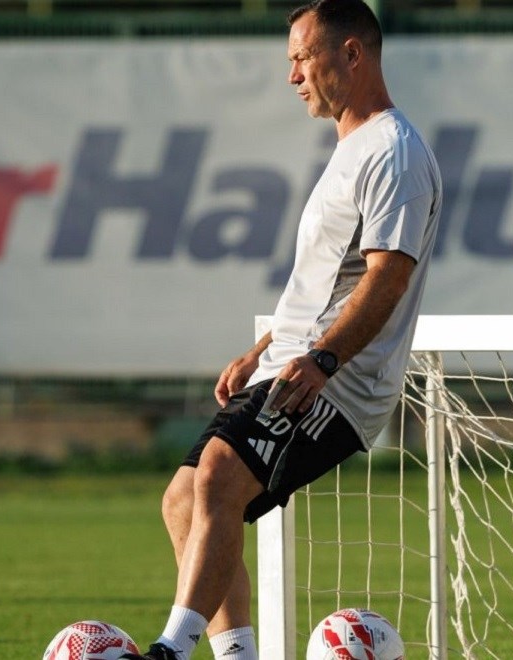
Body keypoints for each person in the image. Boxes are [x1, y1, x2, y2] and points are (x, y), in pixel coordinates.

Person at [120, 2, 443, 659]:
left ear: (351, 53)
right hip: (294, 364)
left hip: (337, 382)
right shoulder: (355, 147)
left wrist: (322, 360)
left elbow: (387, 277)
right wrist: (262, 349)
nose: (292, 76)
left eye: (302, 57)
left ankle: (168, 651)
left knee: (217, 478)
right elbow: (327, 282)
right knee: (183, 500)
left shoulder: (394, 151)